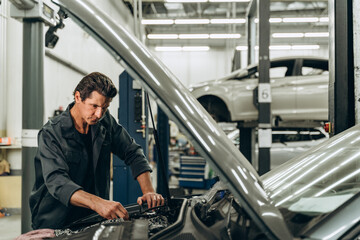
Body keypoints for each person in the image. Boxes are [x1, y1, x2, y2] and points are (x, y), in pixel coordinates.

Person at [29, 72, 164, 230]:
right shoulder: (51, 133)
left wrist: (149, 192)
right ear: (78, 97)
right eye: (94, 106)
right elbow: (58, 182)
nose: (99, 114)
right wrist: (98, 203)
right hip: (55, 219)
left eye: (105, 108)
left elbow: (132, 152)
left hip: (93, 218)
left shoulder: (105, 123)